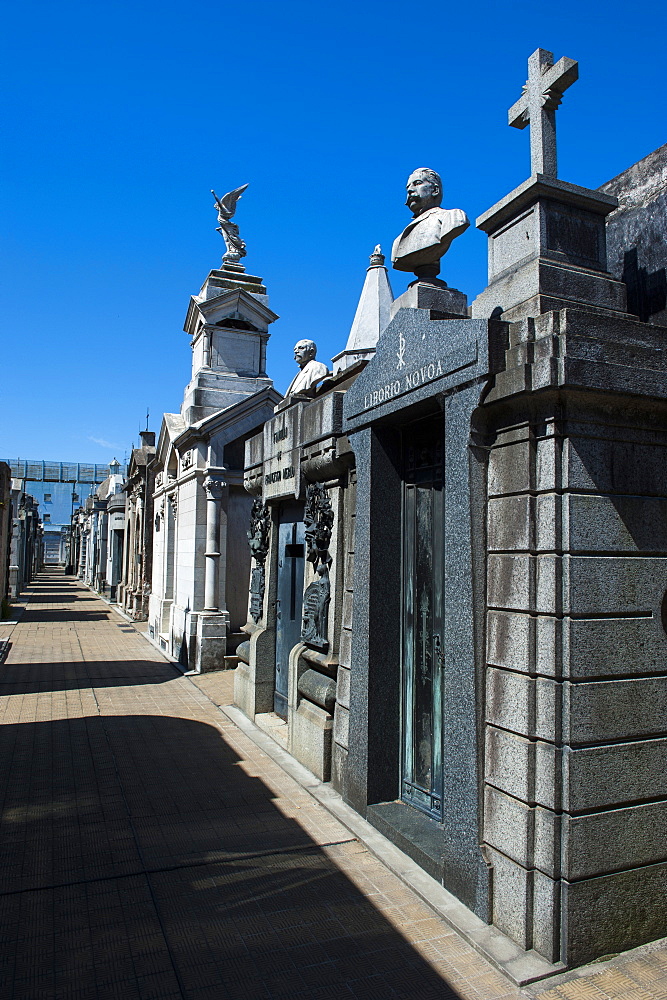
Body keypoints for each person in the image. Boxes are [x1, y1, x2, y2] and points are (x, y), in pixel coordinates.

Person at [391, 168, 469, 278]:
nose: (410, 190)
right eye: (408, 187)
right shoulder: (398, 241)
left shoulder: (454, 216)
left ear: (435, 190)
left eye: (417, 183)